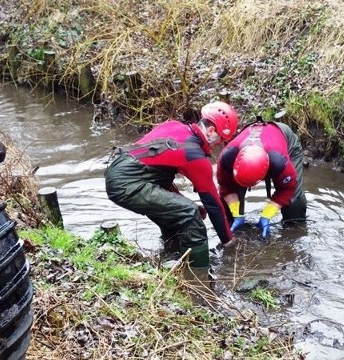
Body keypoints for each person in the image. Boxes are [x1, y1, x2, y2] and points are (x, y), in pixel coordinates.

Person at [105, 101, 238, 268]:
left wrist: (180, 199)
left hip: (118, 169)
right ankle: (199, 274)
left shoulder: (174, 126)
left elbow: (156, 176)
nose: (218, 145)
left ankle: (169, 258)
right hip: (127, 183)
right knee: (190, 215)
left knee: (177, 215)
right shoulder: (195, 156)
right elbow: (213, 203)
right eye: (220, 140)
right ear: (211, 131)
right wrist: (228, 241)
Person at [217, 119, 307, 239]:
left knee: (294, 200)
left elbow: (287, 188)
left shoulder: (280, 162)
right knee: (227, 204)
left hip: (284, 137)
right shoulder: (226, 158)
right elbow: (226, 187)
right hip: (251, 135)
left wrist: (267, 215)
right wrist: (235, 212)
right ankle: (233, 230)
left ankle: (294, 232)